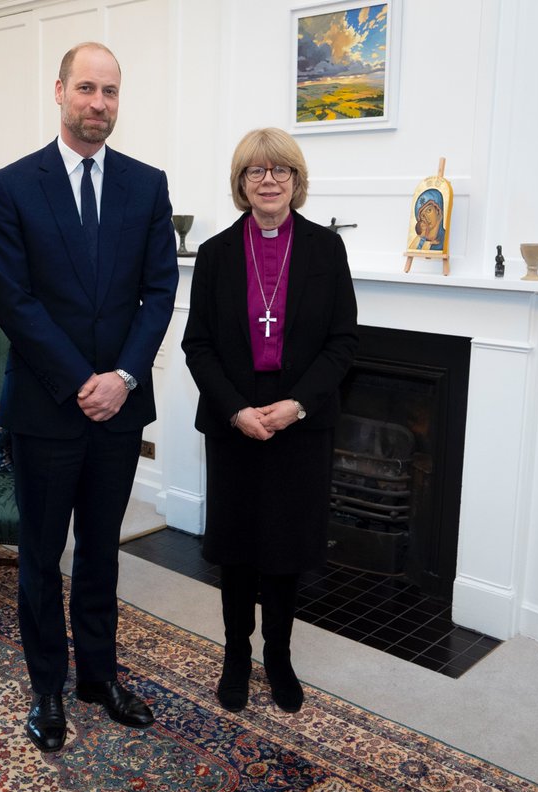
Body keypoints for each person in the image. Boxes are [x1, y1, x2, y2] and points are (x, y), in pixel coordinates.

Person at [0, 42, 178, 753]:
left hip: (120, 408)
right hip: (44, 407)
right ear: (60, 91)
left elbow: (159, 293)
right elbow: (14, 299)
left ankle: (98, 675)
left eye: (112, 92)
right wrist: (79, 382)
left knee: (102, 549)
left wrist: (121, 378)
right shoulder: (9, 186)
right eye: (88, 89)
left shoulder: (147, 184)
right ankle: (46, 689)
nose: (100, 103)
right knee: (41, 555)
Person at [181, 128, 358, 714]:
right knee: (237, 546)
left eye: (280, 170)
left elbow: (342, 342)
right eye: (255, 172)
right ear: (241, 184)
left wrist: (298, 404)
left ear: (297, 181)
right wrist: (235, 409)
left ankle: (278, 657)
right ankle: (236, 654)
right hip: (236, 415)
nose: (269, 180)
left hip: (299, 417)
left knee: (285, 546)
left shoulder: (326, 250)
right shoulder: (214, 254)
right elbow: (197, 344)